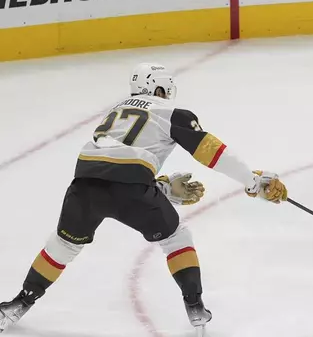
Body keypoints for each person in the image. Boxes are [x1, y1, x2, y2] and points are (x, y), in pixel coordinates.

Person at [0, 63, 289, 333]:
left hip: (84, 183)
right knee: (176, 238)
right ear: (160, 90)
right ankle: (195, 307)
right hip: (133, 187)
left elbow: (112, 162)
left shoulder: (115, 111)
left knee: (63, 245)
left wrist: (160, 188)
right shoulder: (172, 113)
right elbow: (211, 152)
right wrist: (252, 182)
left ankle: (19, 303)